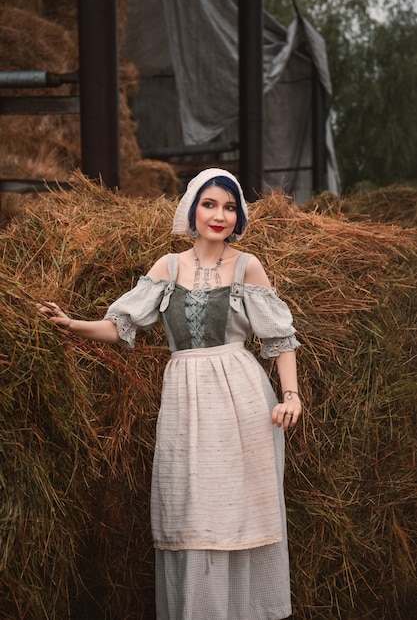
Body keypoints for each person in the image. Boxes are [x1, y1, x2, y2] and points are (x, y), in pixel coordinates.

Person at [39, 167, 302, 620]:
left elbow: (279, 338)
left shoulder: (247, 265)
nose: (219, 215)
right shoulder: (168, 266)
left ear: (238, 216)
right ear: (192, 208)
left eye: (229, 206)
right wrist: (72, 324)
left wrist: (291, 395)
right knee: (190, 508)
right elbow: (122, 327)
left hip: (242, 398)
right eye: (209, 204)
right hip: (186, 399)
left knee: (236, 509)